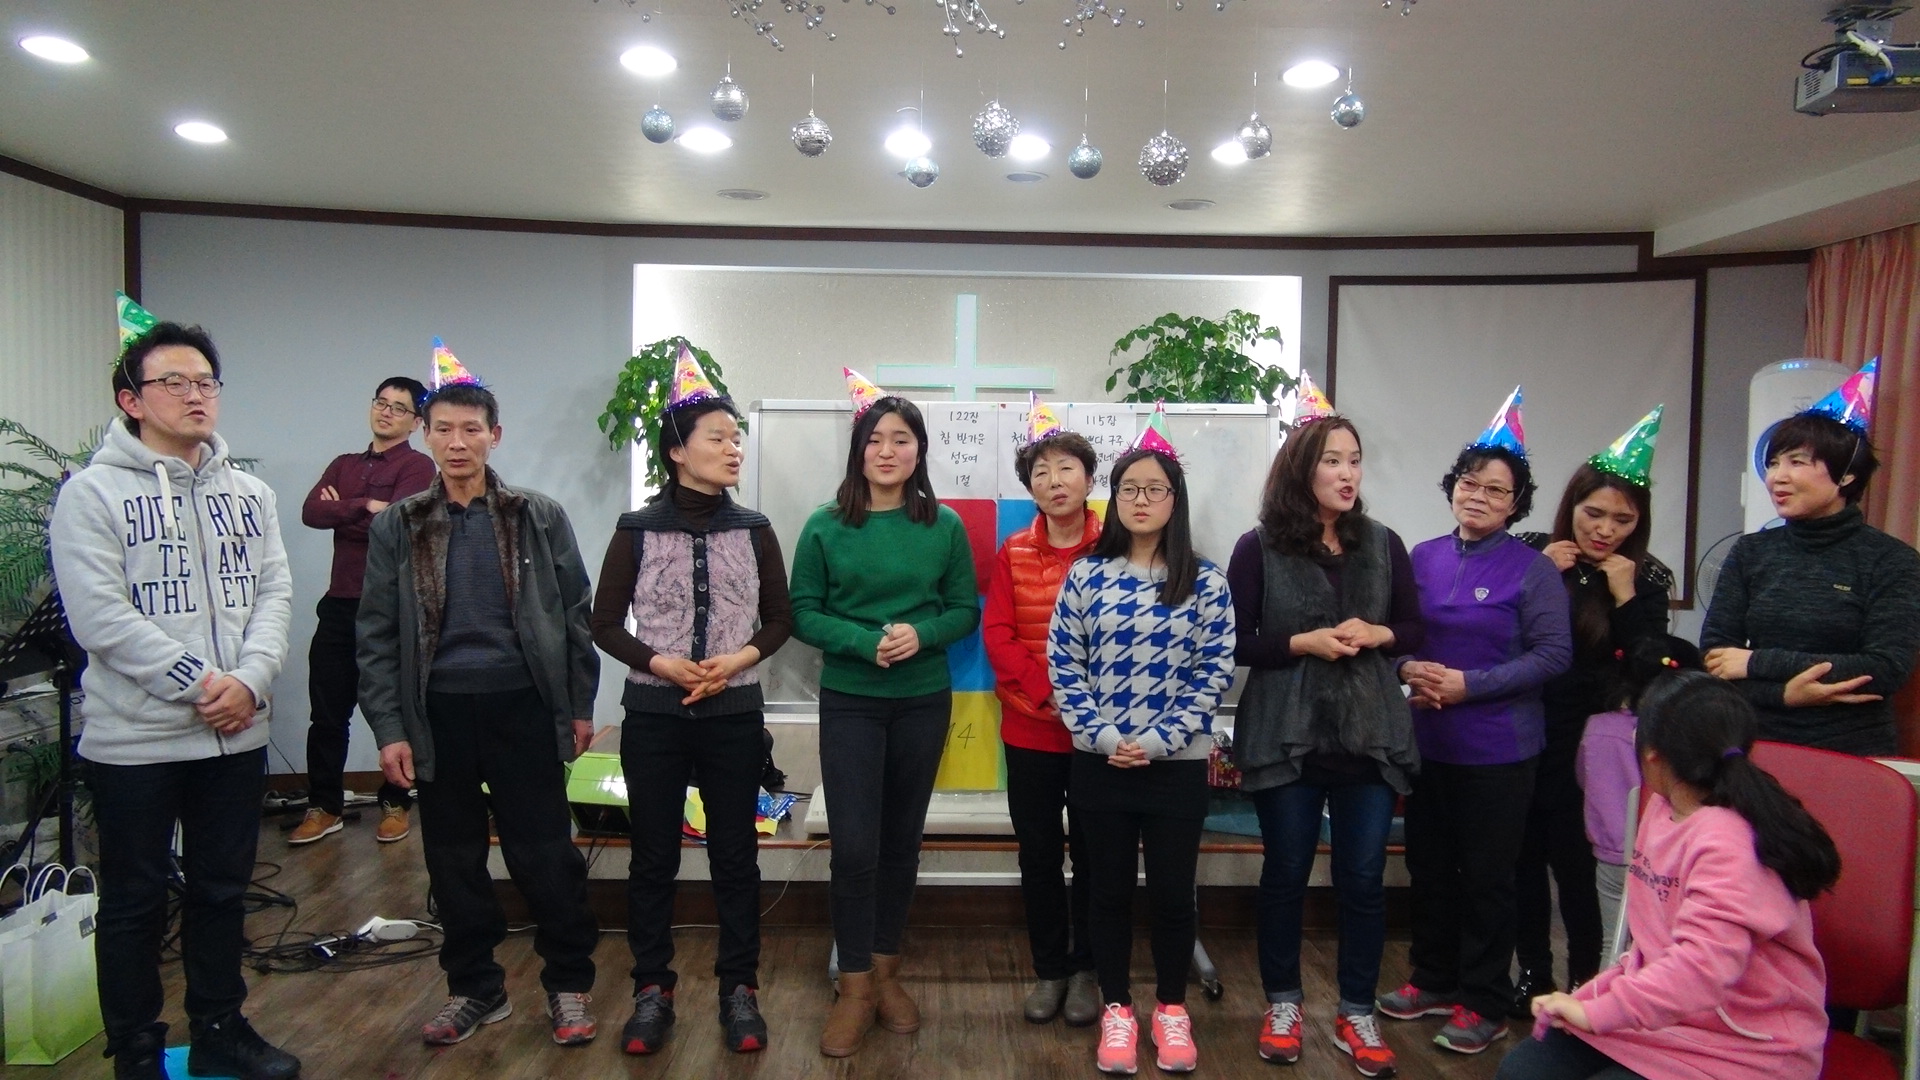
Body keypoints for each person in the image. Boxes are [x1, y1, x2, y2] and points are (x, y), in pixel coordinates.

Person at [51, 321, 300, 1080]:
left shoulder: (250, 495)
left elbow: (274, 593)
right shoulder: (92, 495)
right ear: (131, 400)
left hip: (235, 733)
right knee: (135, 900)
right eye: (174, 383)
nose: (196, 396)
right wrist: (203, 682)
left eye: (206, 382)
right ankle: (135, 1049)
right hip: (137, 741)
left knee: (222, 892)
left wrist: (250, 680)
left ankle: (221, 1027)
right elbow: (101, 618)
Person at [357, 345, 601, 1049]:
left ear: (495, 435)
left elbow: (576, 616)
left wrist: (579, 706)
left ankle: (568, 984)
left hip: (522, 705)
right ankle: (474, 988)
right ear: (426, 435)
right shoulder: (398, 524)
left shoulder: (536, 516)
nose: (457, 442)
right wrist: (389, 727)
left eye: (471, 429)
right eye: (443, 429)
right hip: (437, 715)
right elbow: (375, 632)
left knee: (544, 855)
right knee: (453, 859)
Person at [589, 347, 792, 1055]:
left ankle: (740, 989)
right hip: (654, 716)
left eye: (737, 438)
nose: (734, 449)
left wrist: (737, 660)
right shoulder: (636, 530)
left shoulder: (755, 529)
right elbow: (603, 623)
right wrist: (660, 663)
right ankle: (653, 989)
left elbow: (780, 619)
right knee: (652, 857)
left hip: (734, 715)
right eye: (718, 437)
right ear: (677, 451)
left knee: (737, 856)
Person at [1499, 670, 1839, 1080]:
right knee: (1523, 1071)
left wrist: (1597, 1011)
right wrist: (1588, 999)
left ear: (1652, 754)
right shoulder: (1663, 807)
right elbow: (1652, 948)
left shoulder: (1728, 841)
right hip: (1665, 1017)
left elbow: (1700, 970)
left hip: (1745, 1047)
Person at [1228, 387, 1423, 1079]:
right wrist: (1301, 642)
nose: (1348, 473)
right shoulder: (1257, 547)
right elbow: (1236, 641)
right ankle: (1283, 1003)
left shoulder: (1384, 543)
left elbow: (1415, 627)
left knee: (1363, 877)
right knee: (1285, 872)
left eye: (1355, 460)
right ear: (1301, 469)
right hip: (1287, 732)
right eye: (1333, 460)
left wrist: (1381, 633)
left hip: (1369, 733)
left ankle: (1357, 1011)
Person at [789, 369, 980, 1058]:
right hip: (851, 702)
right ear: (858, 450)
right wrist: (862, 641)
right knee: (855, 847)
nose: (888, 451)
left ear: (919, 451)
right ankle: (854, 986)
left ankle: (887, 973)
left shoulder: (943, 525)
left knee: (901, 843)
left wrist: (920, 635)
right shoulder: (824, 524)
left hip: (923, 700)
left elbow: (964, 609)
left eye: (902, 439)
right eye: (876, 439)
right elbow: (802, 612)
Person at [1378, 387, 1572, 1056]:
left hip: (1500, 751)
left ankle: (1485, 999)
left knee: (1489, 880)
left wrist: (1470, 685)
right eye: (1469, 482)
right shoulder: (1421, 556)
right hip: (1427, 742)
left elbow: (1554, 655)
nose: (1479, 496)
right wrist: (1408, 668)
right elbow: (1396, 634)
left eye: (1496, 489)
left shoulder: (1533, 569)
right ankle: (1433, 978)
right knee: (1428, 868)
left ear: (1516, 504)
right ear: (1452, 487)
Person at [1050, 410, 1237, 1077]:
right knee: (1104, 892)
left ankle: (1171, 1009)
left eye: (1155, 488)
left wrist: (1158, 740)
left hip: (1175, 766)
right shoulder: (1086, 577)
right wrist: (1103, 735)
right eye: (1129, 488)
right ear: (1114, 499)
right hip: (1100, 762)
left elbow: (1213, 672)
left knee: (1172, 895)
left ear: (1174, 500)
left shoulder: (1207, 581)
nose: (1141, 499)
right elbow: (1064, 665)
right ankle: (1117, 1009)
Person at [1511, 408, 1673, 1010]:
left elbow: (1651, 669)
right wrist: (1537, 576)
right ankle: (1531, 972)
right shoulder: (1529, 553)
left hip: (1592, 745)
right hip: (1523, 726)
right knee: (1521, 858)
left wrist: (1626, 597)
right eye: (1593, 513)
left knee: (1579, 862)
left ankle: (1587, 978)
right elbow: (1497, 636)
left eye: (1622, 520)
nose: (1604, 529)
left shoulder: (1645, 577)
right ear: (1570, 506)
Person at [1701, 359, 1920, 756]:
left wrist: (1755, 663)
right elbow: (1716, 658)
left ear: (1846, 475)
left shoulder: (1893, 560)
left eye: (1796, 462)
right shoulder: (1750, 552)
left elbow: (1885, 668)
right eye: (1772, 463)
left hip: (1853, 750)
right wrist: (1785, 695)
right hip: (1757, 743)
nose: (1776, 477)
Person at [982, 397, 1104, 1027]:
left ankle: (1088, 970)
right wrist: (1048, 691)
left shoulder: (1116, 548)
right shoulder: (1014, 549)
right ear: (1029, 487)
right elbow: (998, 632)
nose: (1054, 482)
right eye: (1041, 473)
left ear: (1089, 477)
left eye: (1066, 469)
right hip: (1030, 726)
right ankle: (1049, 969)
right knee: (1037, 853)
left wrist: (1085, 701)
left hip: (1096, 735)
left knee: (1094, 853)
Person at [290, 375, 436, 845]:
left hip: (392, 609)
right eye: (381, 402)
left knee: (396, 709)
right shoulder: (344, 464)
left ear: (416, 422)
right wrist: (365, 505)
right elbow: (311, 512)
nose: (386, 412)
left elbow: (396, 524)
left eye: (399, 408)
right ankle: (324, 805)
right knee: (327, 712)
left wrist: (346, 511)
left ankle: (396, 802)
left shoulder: (418, 466)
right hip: (339, 603)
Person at [1576, 635, 1702, 969]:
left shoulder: (1596, 726)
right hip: (1656, 856)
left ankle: (1606, 1000)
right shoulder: (1666, 737)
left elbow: (1584, 778)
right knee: (1661, 944)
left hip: (1608, 853)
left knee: (1612, 944)